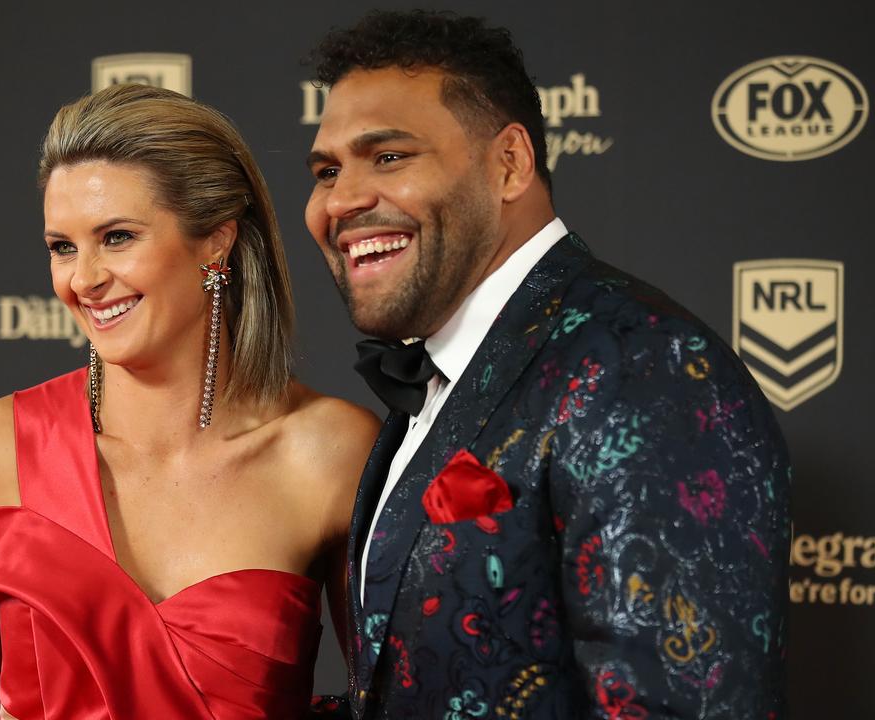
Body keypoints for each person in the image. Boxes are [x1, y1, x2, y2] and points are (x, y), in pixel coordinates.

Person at [303, 10, 791, 719]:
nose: (340, 200)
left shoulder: (642, 367)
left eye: (389, 157)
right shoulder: (445, 372)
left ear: (510, 164)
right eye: (326, 170)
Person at [0, 83, 380, 720]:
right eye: (62, 247)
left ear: (216, 241)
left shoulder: (330, 451)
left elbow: (391, 700)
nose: (83, 280)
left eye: (118, 237)